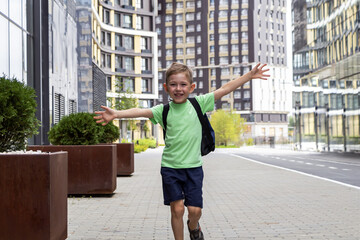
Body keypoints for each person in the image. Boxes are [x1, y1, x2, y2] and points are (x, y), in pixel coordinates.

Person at [94, 62, 270, 240]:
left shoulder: (199, 104)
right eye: (173, 84)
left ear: (191, 87)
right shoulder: (163, 111)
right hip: (170, 168)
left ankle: (193, 227)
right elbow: (140, 111)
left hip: (193, 168)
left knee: (195, 211)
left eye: (183, 84)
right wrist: (116, 113)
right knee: (177, 209)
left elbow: (224, 89)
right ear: (166, 87)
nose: (178, 89)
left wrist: (248, 76)